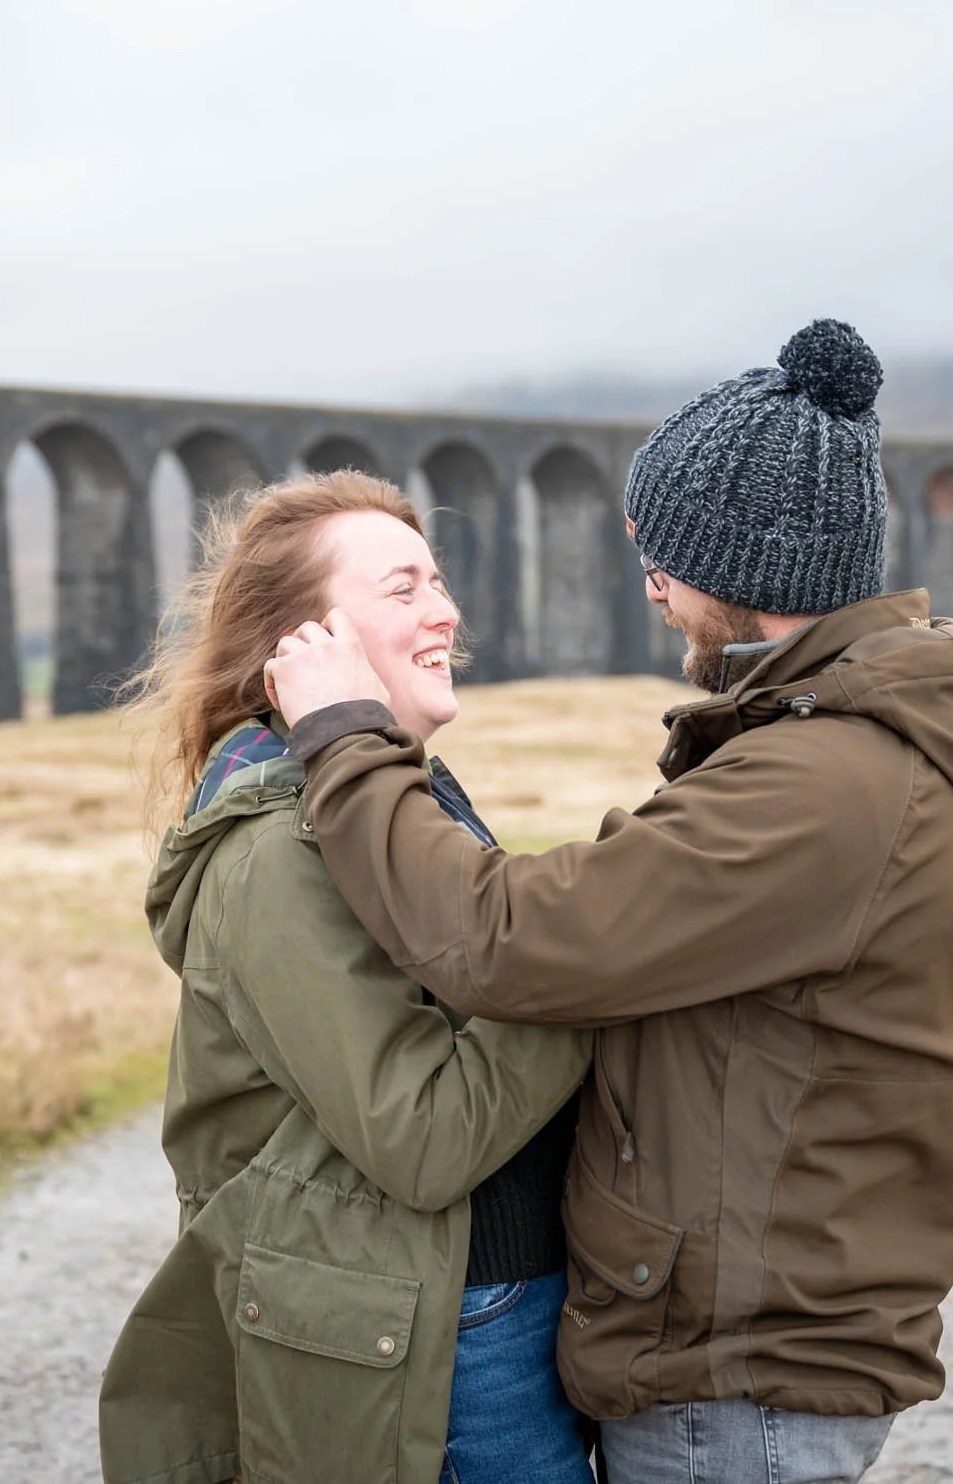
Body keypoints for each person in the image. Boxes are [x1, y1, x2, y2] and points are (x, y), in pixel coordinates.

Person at [266, 320, 953, 1484]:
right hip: (742, 1359)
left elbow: (503, 940)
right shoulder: (843, 755)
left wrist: (343, 738)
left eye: (664, 558)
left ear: (750, 574)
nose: (649, 585)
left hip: (736, 1385)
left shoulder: (825, 785)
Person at [98, 472, 594, 1484]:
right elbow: (420, 1135)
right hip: (442, 1338)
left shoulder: (385, 802)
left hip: (474, 1309)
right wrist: (596, 961)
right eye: (403, 589)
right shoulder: (276, 852)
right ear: (301, 645)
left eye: (439, 581)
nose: (446, 611)